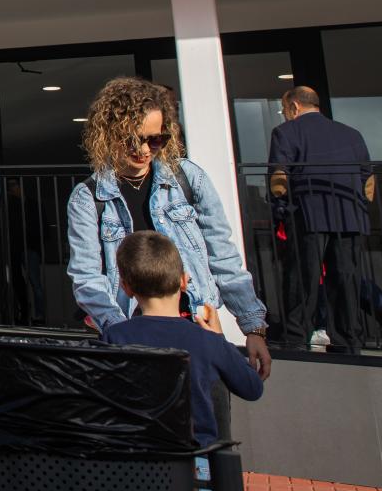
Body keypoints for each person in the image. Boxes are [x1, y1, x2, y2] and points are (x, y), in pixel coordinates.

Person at [66, 76, 271, 384]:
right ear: (108, 135)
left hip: (195, 331)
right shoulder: (88, 197)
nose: (144, 150)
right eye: (133, 140)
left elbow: (223, 258)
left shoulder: (189, 179)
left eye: (155, 139)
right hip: (129, 336)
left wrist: (253, 327)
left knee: (206, 424)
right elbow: (86, 277)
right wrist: (119, 331)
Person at [102, 230, 264, 491]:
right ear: (184, 280)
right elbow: (252, 387)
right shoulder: (206, 341)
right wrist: (220, 340)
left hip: (132, 468)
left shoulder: (114, 337)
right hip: (193, 471)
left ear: (125, 286)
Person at [268, 86, 375, 352]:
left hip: (307, 215)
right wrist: (359, 207)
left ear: (294, 107)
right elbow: (368, 180)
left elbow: (279, 178)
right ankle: (348, 340)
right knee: (346, 278)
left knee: (302, 279)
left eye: (284, 110)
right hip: (349, 217)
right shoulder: (352, 134)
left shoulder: (286, 132)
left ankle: (296, 338)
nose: (284, 115)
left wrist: (280, 209)